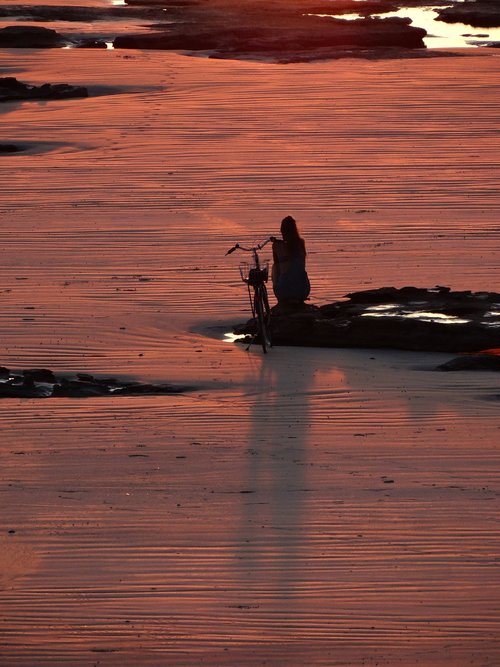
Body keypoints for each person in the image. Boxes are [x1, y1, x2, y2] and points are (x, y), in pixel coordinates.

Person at [271, 215, 310, 305]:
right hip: (303, 291)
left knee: (274, 267)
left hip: (284, 293)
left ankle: (283, 298)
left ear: (282, 231)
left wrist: (276, 244)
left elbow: (277, 267)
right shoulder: (301, 243)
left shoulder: (277, 246)